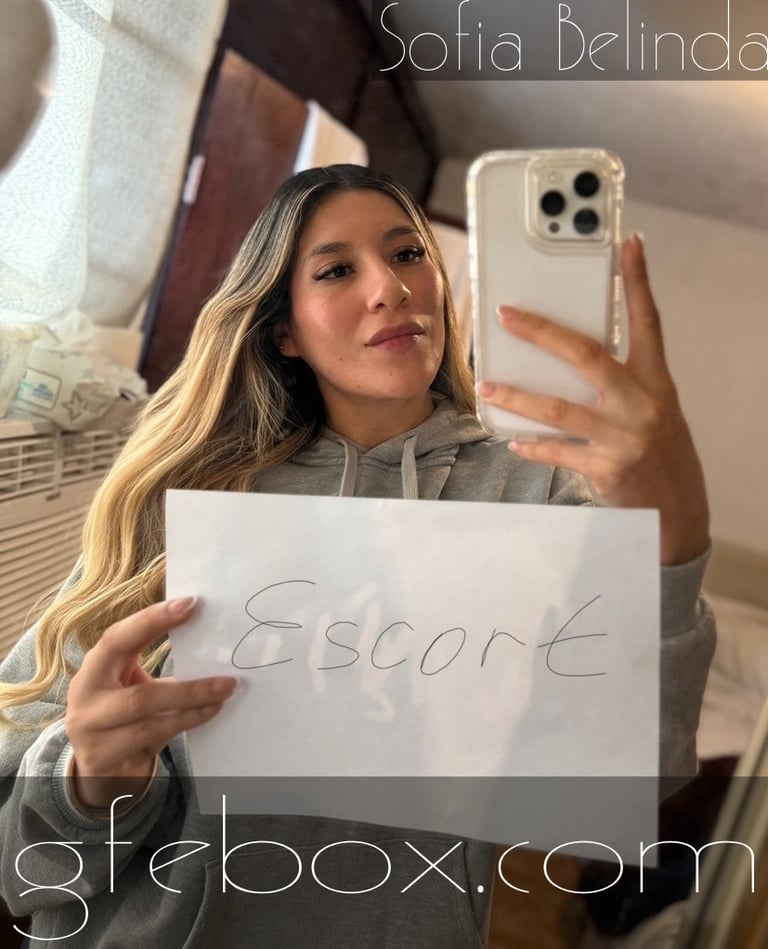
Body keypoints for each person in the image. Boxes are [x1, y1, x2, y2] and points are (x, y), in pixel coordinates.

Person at [0, 164, 715, 947]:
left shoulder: (541, 496)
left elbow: (633, 778)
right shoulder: (182, 497)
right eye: (338, 270)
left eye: (408, 254)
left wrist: (674, 529)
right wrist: (88, 782)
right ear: (284, 329)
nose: (391, 288)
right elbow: (16, 867)